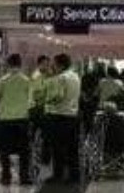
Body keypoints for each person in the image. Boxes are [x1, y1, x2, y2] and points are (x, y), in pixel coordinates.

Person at [0, 54, 32, 186]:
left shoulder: (2, 81)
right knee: (24, 150)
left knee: (5, 150)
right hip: (22, 119)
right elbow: (31, 100)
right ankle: (24, 177)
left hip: (5, 119)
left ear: (8, 64)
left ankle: (6, 176)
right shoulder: (27, 81)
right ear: (20, 64)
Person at [44, 53, 81, 184]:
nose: (52, 66)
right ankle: (74, 175)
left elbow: (58, 96)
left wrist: (47, 100)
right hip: (73, 116)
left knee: (58, 148)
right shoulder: (75, 76)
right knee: (72, 148)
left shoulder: (61, 78)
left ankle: (58, 175)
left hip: (59, 116)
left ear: (60, 65)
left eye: (54, 63)